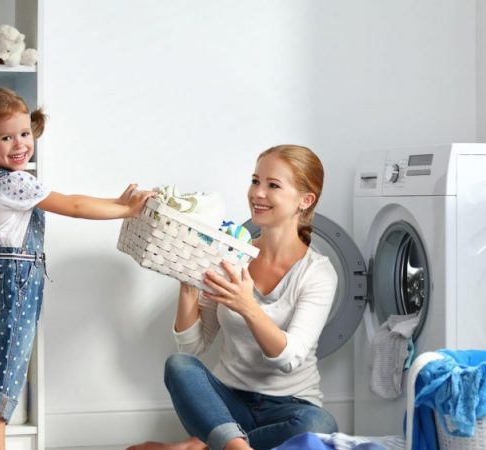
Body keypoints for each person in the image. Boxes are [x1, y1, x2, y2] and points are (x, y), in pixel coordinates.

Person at [0, 87, 154, 450]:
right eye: (6, 138)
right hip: (12, 290)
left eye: (24, 133)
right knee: (3, 380)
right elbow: (73, 206)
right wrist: (125, 210)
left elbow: (72, 199)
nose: (19, 144)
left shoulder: (1, 181)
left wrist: (118, 201)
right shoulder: (15, 182)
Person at [129, 145, 339, 450]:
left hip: (290, 406)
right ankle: (231, 445)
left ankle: (206, 445)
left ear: (305, 200)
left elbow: (289, 360)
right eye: (255, 181)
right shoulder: (229, 255)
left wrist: (247, 306)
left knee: (319, 426)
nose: (257, 193)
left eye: (273, 185)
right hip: (227, 403)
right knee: (179, 366)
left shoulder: (318, 272)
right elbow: (193, 346)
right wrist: (188, 283)